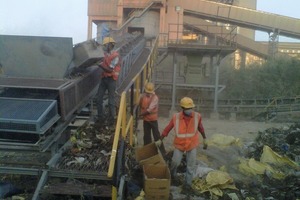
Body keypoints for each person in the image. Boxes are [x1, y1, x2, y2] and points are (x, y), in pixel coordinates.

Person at [159, 97, 208, 189]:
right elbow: (168, 128)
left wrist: (205, 138)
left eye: (190, 108)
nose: (189, 110)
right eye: (187, 108)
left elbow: (200, 128)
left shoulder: (197, 116)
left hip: (192, 144)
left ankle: (187, 184)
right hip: (180, 144)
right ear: (182, 108)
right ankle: (173, 176)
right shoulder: (176, 117)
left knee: (191, 165)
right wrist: (160, 139)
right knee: (175, 162)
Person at [96, 37, 121, 124]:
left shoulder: (115, 56)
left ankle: (112, 119)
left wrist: (99, 65)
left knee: (111, 100)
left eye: (106, 45)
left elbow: (110, 70)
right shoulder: (105, 54)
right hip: (104, 79)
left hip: (111, 80)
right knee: (98, 98)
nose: (105, 46)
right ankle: (100, 118)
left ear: (111, 45)